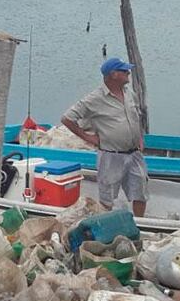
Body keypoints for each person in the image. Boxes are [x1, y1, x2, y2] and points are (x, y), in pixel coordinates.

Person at [60, 57, 149, 217]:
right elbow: (67, 118)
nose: (128, 72)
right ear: (113, 74)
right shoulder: (95, 98)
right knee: (107, 198)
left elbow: (137, 117)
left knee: (140, 192)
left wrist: (140, 139)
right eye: (124, 70)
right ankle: (106, 225)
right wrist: (88, 138)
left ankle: (140, 225)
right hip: (111, 156)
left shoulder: (130, 93)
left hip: (135, 154)